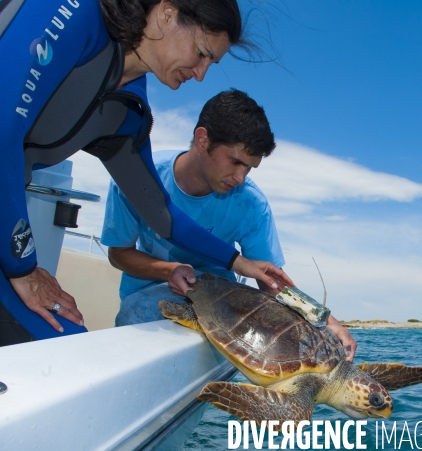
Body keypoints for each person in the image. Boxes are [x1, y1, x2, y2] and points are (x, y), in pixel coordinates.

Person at [0, 0, 292, 365]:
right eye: (202, 54)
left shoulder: (127, 111)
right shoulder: (72, 12)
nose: (201, 75)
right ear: (167, 12)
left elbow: (161, 214)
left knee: (63, 353)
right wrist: (23, 267)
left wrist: (240, 263)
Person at [102, 89, 357, 361]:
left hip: (222, 304)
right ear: (202, 139)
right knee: (136, 314)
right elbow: (118, 253)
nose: (239, 178)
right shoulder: (138, 177)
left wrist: (325, 320)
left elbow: (270, 280)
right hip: (149, 293)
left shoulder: (251, 203)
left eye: (249, 168)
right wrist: (170, 270)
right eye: (235, 161)